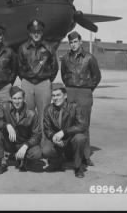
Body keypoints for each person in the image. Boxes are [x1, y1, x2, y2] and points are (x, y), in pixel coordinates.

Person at [60, 31, 101, 166]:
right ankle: (69, 153)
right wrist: (70, 89)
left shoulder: (89, 58)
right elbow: (64, 75)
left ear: (80, 42)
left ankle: (85, 156)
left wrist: (88, 90)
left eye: (75, 42)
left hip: (84, 93)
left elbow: (97, 76)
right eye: (71, 42)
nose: (73, 44)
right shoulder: (65, 58)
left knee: (84, 125)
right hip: (71, 91)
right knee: (69, 123)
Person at [18, 19, 59, 135]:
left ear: (42, 33)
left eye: (39, 32)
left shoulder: (49, 47)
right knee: (27, 114)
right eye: (33, 32)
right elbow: (19, 66)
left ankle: (43, 143)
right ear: (30, 33)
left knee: (44, 114)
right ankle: (28, 142)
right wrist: (26, 79)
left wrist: (47, 80)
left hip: (43, 83)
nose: (36, 34)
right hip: (27, 83)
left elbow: (54, 67)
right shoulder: (23, 48)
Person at [0, 86, 42, 175]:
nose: (17, 101)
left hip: (23, 142)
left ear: (24, 99)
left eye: (19, 98)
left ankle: (23, 160)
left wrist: (26, 145)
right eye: (14, 98)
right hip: (9, 142)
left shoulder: (31, 113)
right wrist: (7, 125)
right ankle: (2, 162)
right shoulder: (4, 107)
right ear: (10, 98)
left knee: (37, 153)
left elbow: (37, 135)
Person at [42, 84, 88, 178]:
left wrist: (64, 132)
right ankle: (57, 162)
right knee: (45, 150)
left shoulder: (75, 107)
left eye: (58, 95)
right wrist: (53, 137)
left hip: (71, 139)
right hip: (57, 141)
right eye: (53, 96)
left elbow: (82, 125)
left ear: (65, 96)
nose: (55, 98)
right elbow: (47, 129)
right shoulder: (48, 109)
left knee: (80, 138)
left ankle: (78, 167)